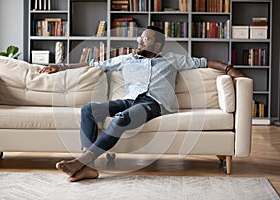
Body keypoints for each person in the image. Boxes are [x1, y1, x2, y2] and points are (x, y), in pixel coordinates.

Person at [39, 26, 245, 182]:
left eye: (145, 39)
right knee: (88, 109)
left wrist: (230, 70)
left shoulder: (173, 59)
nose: (139, 41)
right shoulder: (126, 59)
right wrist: (61, 66)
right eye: (140, 37)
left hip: (154, 103)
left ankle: (81, 161)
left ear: (157, 45)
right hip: (130, 100)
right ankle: (88, 166)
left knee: (122, 119)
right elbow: (93, 63)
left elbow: (206, 62)